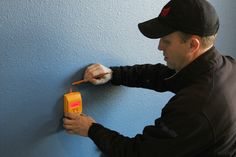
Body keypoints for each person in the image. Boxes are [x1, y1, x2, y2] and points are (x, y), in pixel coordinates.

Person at [63, 0, 236, 156]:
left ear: (193, 44)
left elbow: (139, 153)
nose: (159, 46)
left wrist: (91, 129)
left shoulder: (196, 107)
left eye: (166, 41)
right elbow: (163, 76)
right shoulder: (224, 67)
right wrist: (114, 74)